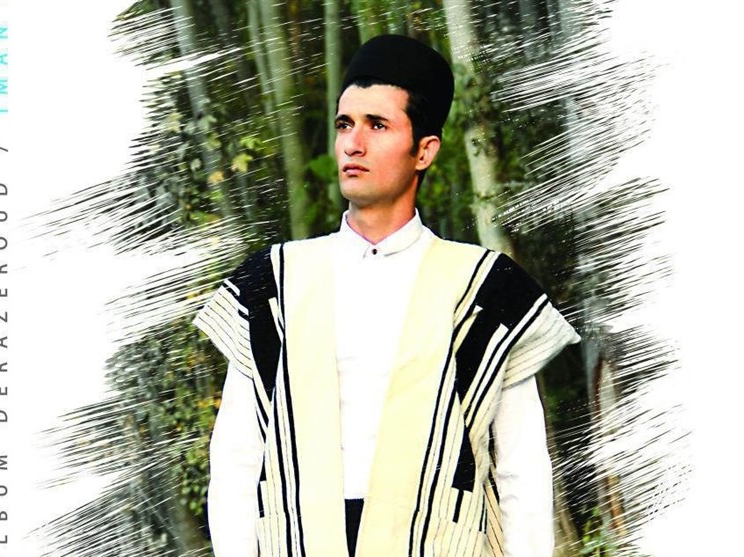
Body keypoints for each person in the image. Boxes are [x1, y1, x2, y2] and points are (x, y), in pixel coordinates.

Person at [193, 34, 580, 557]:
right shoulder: (274, 282)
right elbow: (237, 461)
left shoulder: (486, 289)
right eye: (344, 124)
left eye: (377, 125)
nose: (353, 144)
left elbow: (520, 469)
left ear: (424, 150)